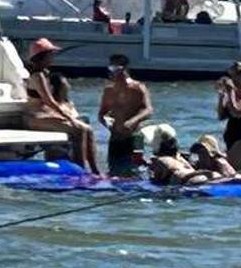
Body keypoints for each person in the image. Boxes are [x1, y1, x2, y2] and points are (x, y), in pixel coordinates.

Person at [22, 38, 99, 173]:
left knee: (88, 129)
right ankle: (80, 170)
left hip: (45, 115)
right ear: (43, 56)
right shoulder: (38, 76)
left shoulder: (45, 74)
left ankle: (95, 170)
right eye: (51, 54)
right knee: (79, 130)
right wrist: (69, 118)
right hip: (35, 118)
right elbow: (49, 101)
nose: (53, 57)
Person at [97, 53, 153, 176]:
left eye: (116, 69)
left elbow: (148, 110)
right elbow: (101, 114)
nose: (113, 72)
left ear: (124, 69)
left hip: (132, 136)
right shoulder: (109, 91)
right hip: (115, 137)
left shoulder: (137, 87)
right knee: (114, 171)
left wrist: (133, 121)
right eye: (111, 68)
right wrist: (106, 122)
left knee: (133, 171)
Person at [143, 124, 214, 187]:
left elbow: (156, 181)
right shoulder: (181, 158)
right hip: (201, 177)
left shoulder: (160, 160)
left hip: (187, 181)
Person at [216, 61, 241, 154]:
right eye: (231, 75)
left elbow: (237, 113)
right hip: (231, 137)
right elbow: (221, 116)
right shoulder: (232, 94)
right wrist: (221, 96)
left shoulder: (232, 93)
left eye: (238, 74)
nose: (233, 78)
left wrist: (230, 92)